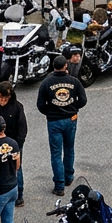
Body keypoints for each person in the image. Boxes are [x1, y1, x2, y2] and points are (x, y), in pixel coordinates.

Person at [37, 54, 87, 195]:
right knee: (69, 149)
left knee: (56, 153)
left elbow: (40, 105)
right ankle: (68, 177)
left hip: (54, 121)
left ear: (53, 66)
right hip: (70, 119)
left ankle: (59, 186)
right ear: (65, 66)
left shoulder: (46, 83)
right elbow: (83, 100)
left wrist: (50, 112)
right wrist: (73, 107)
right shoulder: (74, 81)